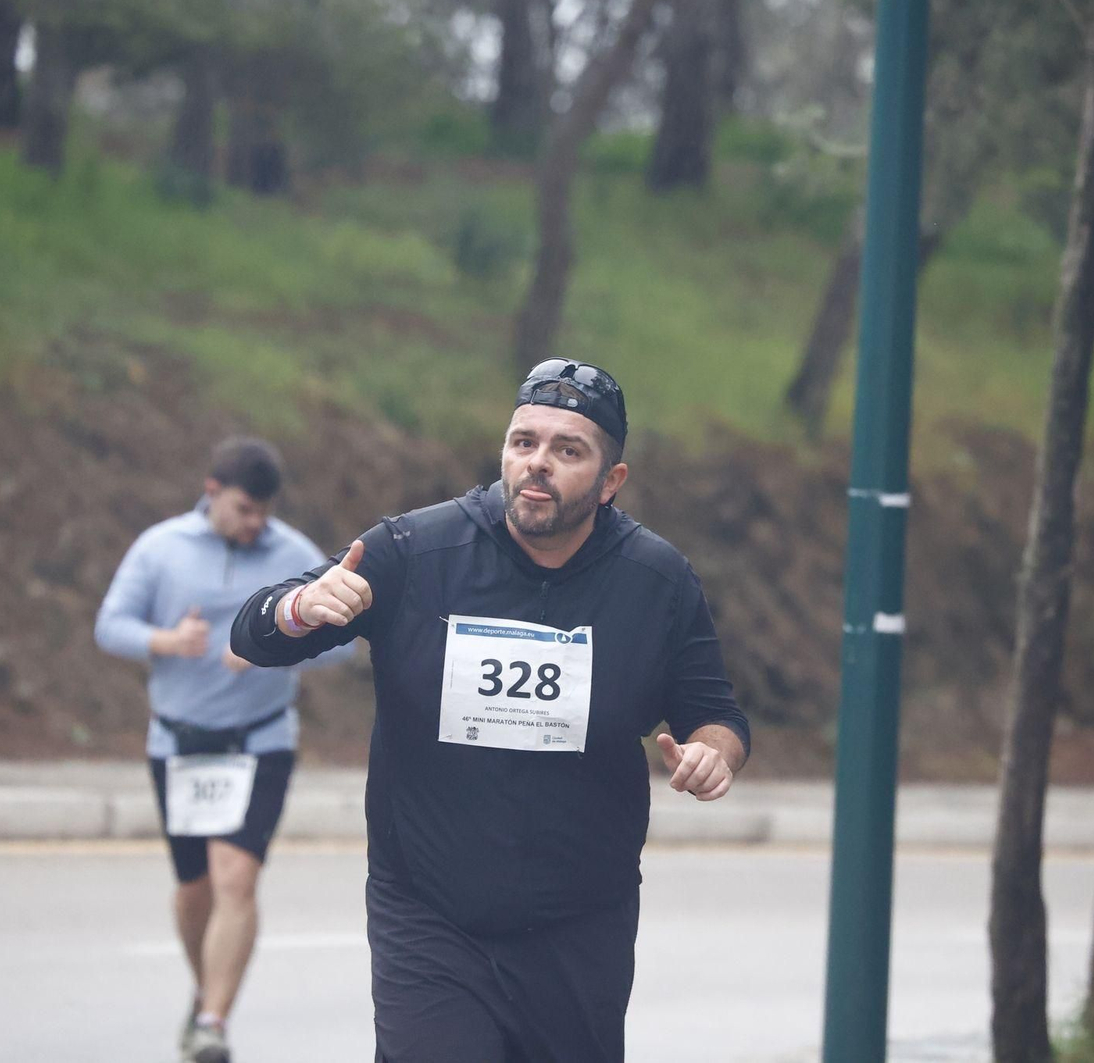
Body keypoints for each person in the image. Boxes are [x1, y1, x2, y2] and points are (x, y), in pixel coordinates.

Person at [231, 359, 750, 1062]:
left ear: (610, 482)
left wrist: (712, 753)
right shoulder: (417, 551)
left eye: (568, 451)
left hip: (580, 924)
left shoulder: (655, 580)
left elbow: (714, 713)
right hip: (430, 914)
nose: (538, 464)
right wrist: (298, 607)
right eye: (524, 442)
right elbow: (254, 632)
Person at [95, 436, 353, 1063]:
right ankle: (205, 989)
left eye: (264, 511)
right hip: (179, 742)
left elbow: (345, 641)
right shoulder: (160, 548)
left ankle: (212, 1024)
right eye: (243, 509)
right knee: (194, 892)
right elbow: (110, 626)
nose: (255, 523)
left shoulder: (292, 552)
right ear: (211, 493)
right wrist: (165, 640)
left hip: (260, 738)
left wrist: (271, 640)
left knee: (235, 878)